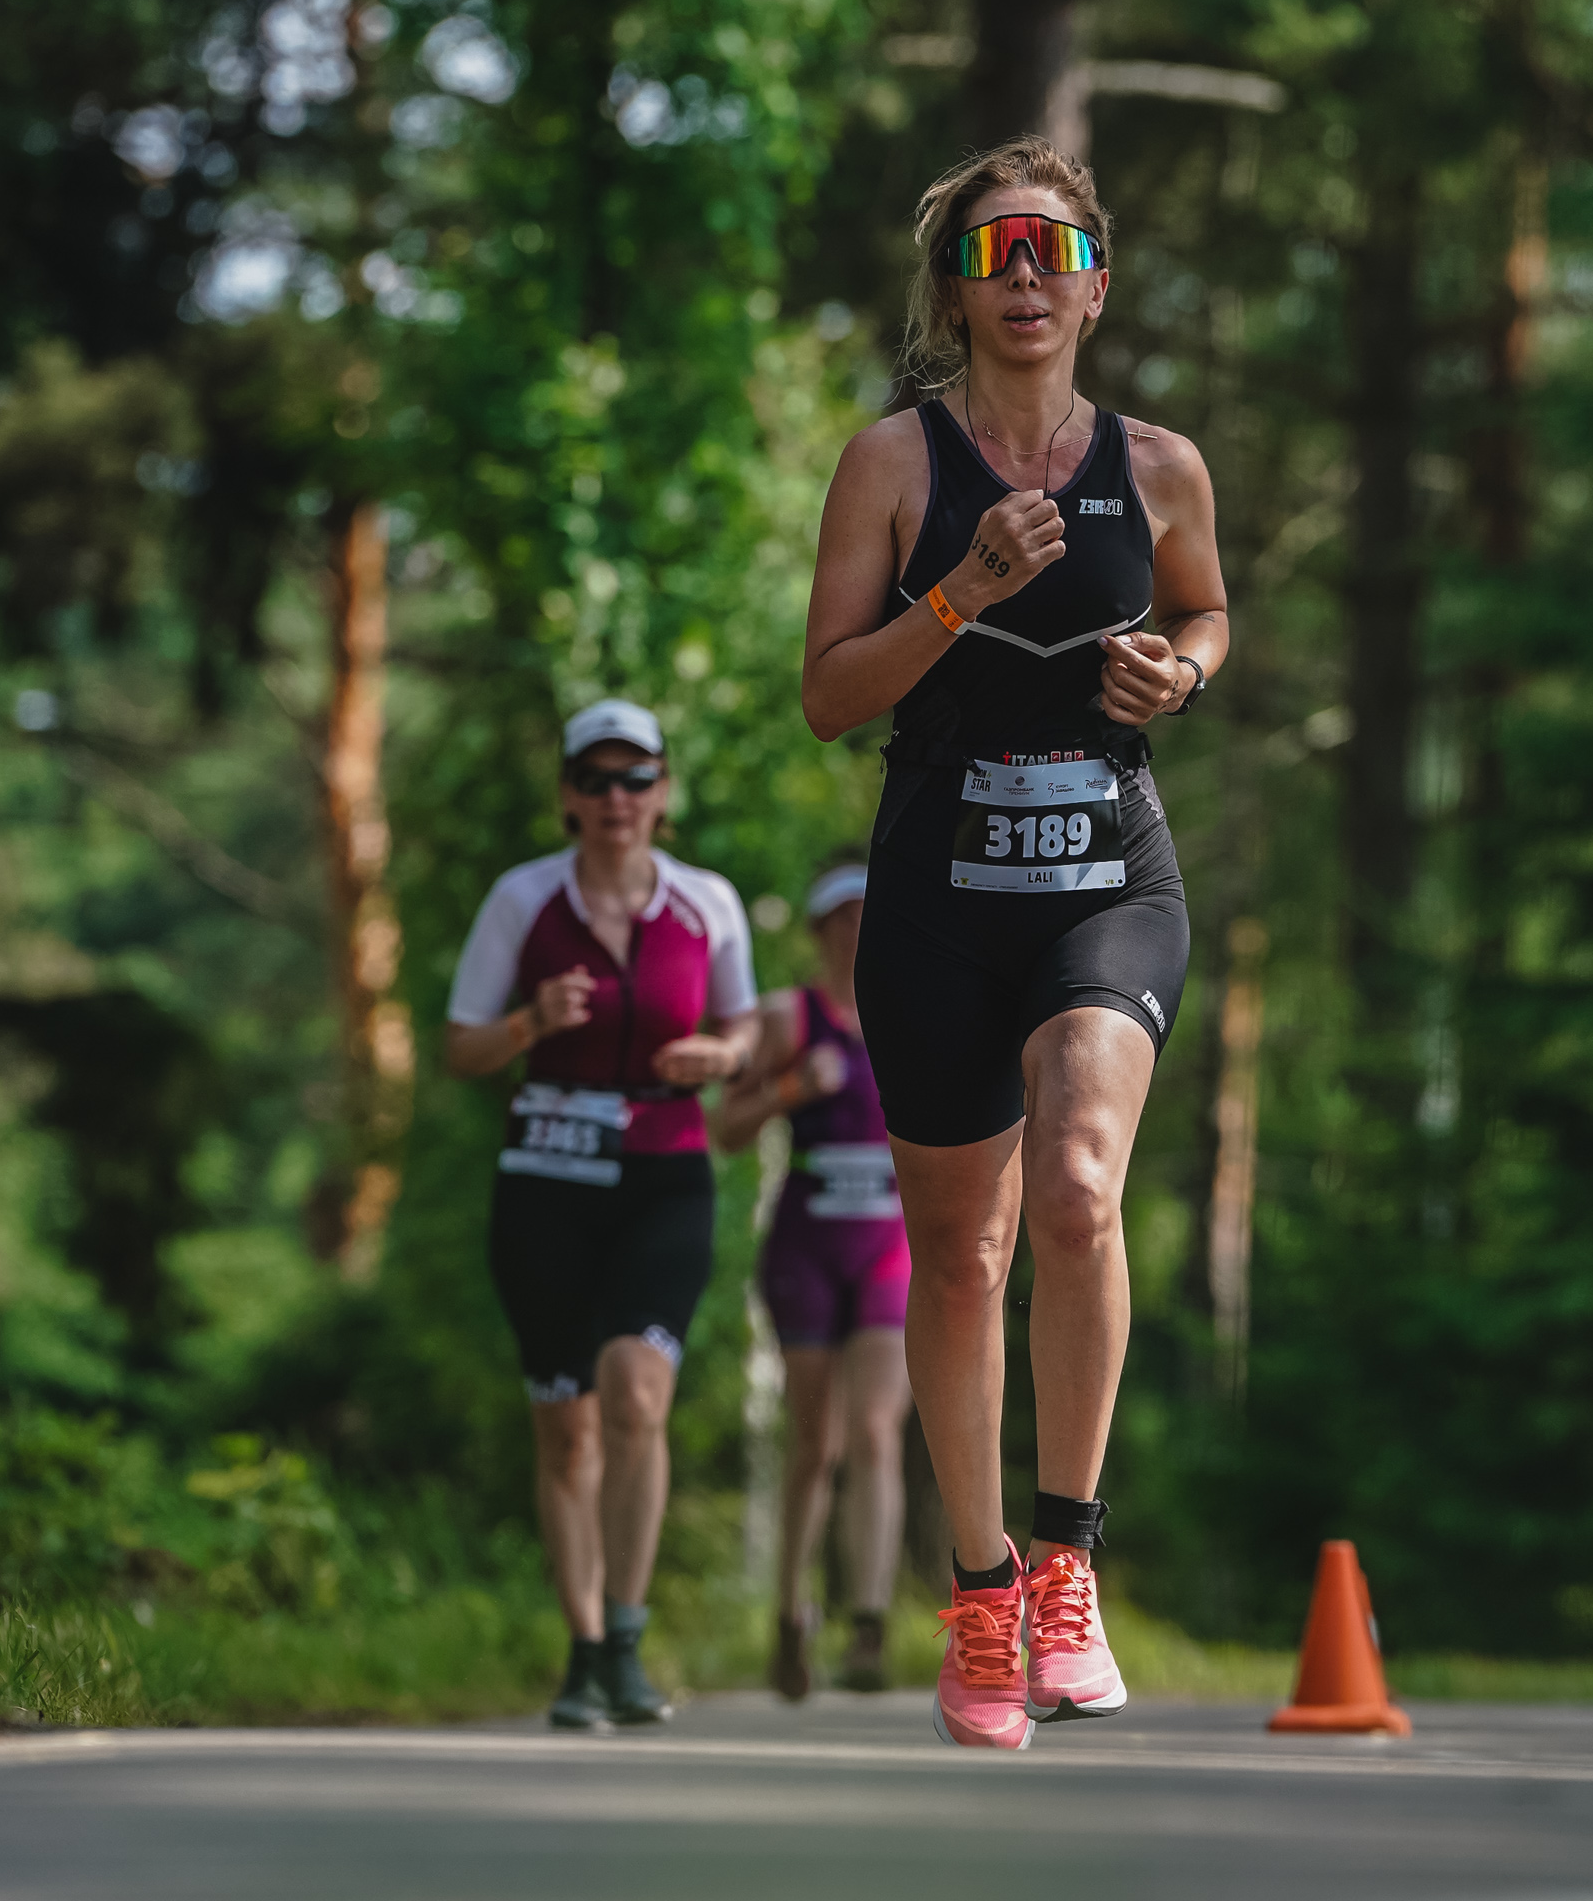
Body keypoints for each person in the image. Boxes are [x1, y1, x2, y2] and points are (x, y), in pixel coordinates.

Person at [800, 137, 1232, 1748]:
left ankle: (1068, 1561)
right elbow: (830, 696)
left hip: (1107, 872)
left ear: (1098, 284)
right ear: (956, 293)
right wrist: (959, 597)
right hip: (937, 892)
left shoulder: (1165, 464)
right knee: (965, 1250)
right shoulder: (894, 468)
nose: (1027, 278)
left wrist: (1178, 677)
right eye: (995, 256)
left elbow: (1206, 612)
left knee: (1077, 1185)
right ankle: (979, 1595)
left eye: (1053, 251)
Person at [442, 699, 759, 1731]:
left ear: (664, 792)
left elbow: (743, 1022)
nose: (617, 799)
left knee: (637, 1389)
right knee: (565, 1426)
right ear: (569, 797)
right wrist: (533, 1021)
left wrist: (720, 1055)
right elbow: (461, 1048)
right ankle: (581, 1650)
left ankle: (627, 1633)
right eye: (597, 780)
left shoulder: (707, 902)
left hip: (665, 1172)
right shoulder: (522, 900)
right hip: (546, 1178)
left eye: (637, 779)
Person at [711, 858, 913, 1700]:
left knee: (875, 1431)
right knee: (814, 1443)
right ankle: (792, 1613)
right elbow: (726, 1125)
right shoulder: (789, 1017)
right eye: (843, 916)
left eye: (872, 911)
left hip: (890, 1251)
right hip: (804, 1249)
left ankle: (868, 1627)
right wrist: (792, 1087)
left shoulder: (919, 1010)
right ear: (821, 930)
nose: (860, 928)